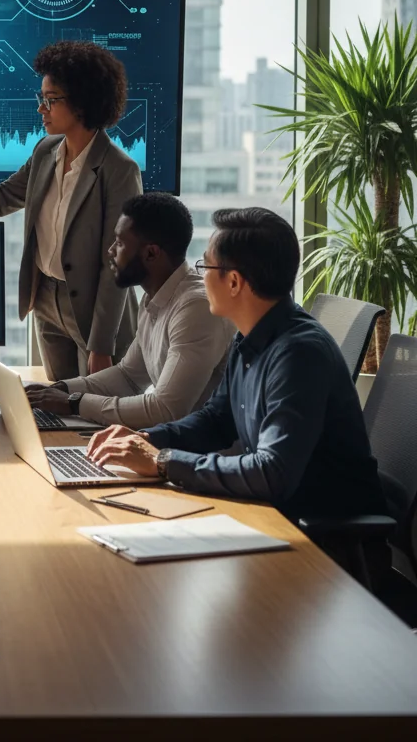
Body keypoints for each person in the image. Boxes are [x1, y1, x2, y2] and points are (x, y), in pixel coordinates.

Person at [86, 207, 387, 527]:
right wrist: (147, 439)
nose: (200, 276)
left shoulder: (299, 354)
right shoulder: (251, 338)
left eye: (205, 265)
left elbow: (271, 473)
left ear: (233, 282)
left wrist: (163, 462)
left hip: (322, 542)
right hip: (272, 514)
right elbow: (216, 421)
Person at [0, 40, 142, 380]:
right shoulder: (45, 151)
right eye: (42, 99)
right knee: (57, 406)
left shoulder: (119, 170)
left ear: (81, 102)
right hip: (46, 301)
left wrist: (102, 345)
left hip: (95, 313)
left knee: (95, 415)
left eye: (51, 100)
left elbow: (117, 265)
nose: (41, 109)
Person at [26, 192, 235, 429]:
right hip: (175, 447)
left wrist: (73, 403)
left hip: (202, 457)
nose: (110, 251)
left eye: (120, 243)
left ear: (151, 253)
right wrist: (59, 390)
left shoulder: (196, 308)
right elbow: (128, 377)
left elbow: (166, 410)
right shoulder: (154, 297)